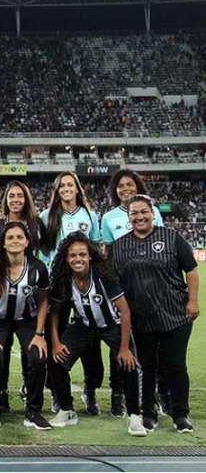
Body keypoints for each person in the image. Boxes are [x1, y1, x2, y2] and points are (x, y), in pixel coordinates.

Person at [112, 195, 199, 433]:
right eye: (134, 213)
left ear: (152, 213)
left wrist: (192, 301)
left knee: (175, 365)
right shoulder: (119, 246)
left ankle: (180, 414)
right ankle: (148, 413)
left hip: (175, 315)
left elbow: (191, 270)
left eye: (143, 212)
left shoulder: (172, 237)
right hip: (141, 319)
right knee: (147, 367)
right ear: (128, 217)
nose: (139, 217)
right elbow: (115, 282)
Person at [48, 232, 146, 437]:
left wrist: (125, 347)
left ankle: (135, 416)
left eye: (82, 254)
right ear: (66, 258)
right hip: (84, 325)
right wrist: (56, 343)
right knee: (56, 361)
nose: (78, 259)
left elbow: (124, 310)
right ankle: (66, 410)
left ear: (90, 256)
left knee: (128, 363)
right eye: (73, 255)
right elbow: (55, 312)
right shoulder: (63, 278)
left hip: (113, 325)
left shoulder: (103, 275)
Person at [101, 170, 165, 417]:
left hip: (151, 287)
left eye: (129, 184)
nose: (125, 188)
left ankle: (157, 394)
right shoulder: (108, 218)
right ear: (115, 190)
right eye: (120, 185)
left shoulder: (153, 211)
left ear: (137, 185)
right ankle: (118, 395)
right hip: (123, 287)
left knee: (152, 344)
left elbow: (162, 244)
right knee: (120, 340)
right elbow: (108, 253)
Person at [40, 171, 104, 416]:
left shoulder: (90, 216)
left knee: (90, 337)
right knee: (53, 335)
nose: (66, 188)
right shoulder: (47, 217)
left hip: (84, 284)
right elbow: (43, 251)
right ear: (56, 191)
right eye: (61, 185)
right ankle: (58, 393)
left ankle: (90, 389)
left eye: (70, 184)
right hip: (57, 285)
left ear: (77, 189)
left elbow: (97, 249)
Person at [0, 222, 51, 432]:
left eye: (19, 237)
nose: (15, 241)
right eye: (10, 237)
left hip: (27, 321)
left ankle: (33, 410)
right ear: (2, 243)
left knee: (37, 357)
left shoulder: (38, 268)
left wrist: (39, 334)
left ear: (27, 242)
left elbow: (43, 301)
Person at [0, 180, 47, 411]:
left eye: (20, 195)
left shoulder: (36, 224)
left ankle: (30, 393)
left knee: (32, 354)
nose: (15, 200)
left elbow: (46, 252)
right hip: (2, 291)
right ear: (5, 199)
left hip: (29, 292)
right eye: (11, 196)